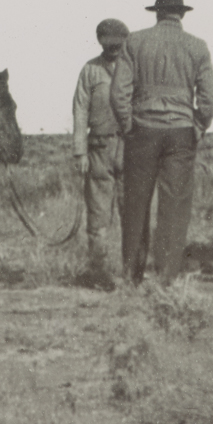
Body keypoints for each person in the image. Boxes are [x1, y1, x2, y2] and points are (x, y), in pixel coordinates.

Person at [111, 0, 213, 286]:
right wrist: (198, 126)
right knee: (174, 207)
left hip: (142, 130)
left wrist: (128, 125)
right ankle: (166, 278)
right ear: (181, 13)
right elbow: (208, 98)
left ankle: (131, 277)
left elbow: (119, 93)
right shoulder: (197, 46)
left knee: (136, 205)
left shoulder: (135, 41)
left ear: (158, 12)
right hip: (181, 133)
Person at [71, 17, 129, 278]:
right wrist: (80, 151)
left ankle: (132, 272)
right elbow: (80, 110)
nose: (114, 48)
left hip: (130, 149)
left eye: (118, 44)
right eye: (109, 44)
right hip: (98, 150)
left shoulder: (134, 68)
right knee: (98, 215)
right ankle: (99, 272)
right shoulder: (90, 70)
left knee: (133, 213)